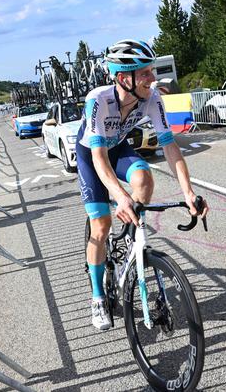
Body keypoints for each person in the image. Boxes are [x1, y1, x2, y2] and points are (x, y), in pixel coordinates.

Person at [77, 39, 209, 330]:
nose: (153, 77)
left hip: (119, 148)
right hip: (92, 155)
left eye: (151, 71)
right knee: (100, 224)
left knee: (144, 177)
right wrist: (120, 197)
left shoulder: (152, 98)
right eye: (145, 73)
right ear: (125, 78)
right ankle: (98, 297)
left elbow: (170, 146)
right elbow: (99, 157)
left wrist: (188, 192)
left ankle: (130, 234)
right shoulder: (98, 100)